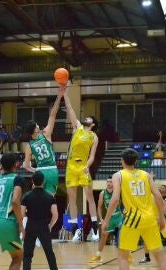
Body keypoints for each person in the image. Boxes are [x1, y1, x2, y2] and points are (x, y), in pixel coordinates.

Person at [103, 148, 166, 270]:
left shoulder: (118, 175)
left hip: (132, 219)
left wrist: (106, 220)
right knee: (159, 255)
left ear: (122, 161)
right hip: (150, 218)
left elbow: (115, 199)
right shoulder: (146, 175)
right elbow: (158, 196)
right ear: (136, 161)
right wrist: (161, 217)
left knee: (123, 256)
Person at [62, 86, 99, 241]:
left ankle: (95, 230)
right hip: (71, 166)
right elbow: (70, 108)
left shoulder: (93, 136)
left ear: (93, 124)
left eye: (89, 118)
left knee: (89, 197)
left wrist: (87, 166)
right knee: (72, 198)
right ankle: (77, 230)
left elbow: (92, 156)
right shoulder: (77, 126)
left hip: (83, 167)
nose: (87, 118)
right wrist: (64, 93)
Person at [23, 86, 64, 196]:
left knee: (38, 200)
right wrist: (59, 97)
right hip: (52, 171)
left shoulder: (29, 145)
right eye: (37, 125)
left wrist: (35, 170)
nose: (38, 125)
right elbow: (53, 115)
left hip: (40, 172)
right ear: (35, 129)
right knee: (49, 201)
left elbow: (26, 166)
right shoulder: (46, 134)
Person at [21, 171, 58, 270]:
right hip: (44, 226)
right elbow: (55, 215)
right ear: (44, 181)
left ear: (32, 181)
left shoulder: (26, 196)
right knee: (49, 253)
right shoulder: (50, 197)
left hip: (31, 225)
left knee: (27, 255)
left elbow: (22, 214)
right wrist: (50, 225)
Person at [88, 178, 123, 263]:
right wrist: (101, 219)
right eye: (107, 181)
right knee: (104, 235)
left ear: (113, 183)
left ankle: (127, 255)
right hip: (109, 218)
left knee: (123, 236)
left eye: (111, 181)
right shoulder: (102, 193)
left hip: (118, 216)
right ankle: (98, 255)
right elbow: (99, 207)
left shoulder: (117, 191)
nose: (109, 183)